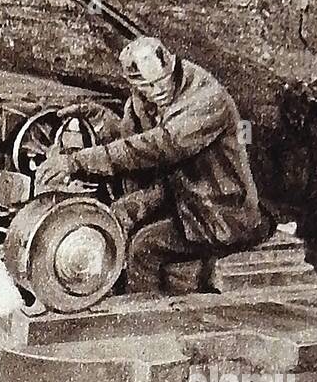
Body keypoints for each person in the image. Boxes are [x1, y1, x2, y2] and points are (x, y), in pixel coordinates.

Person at [37, 37, 270, 291]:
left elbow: (158, 147)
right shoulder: (143, 100)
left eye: (162, 81)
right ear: (134, 83)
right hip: (184, 202)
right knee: (116, 218)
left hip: (220, 213)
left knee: (142, 248)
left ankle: (141, 322)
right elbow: (133, 145)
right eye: (148, 86)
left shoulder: (205, 98)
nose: (158, 90)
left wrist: (75, 162)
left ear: (170, 65)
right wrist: (104, 121)